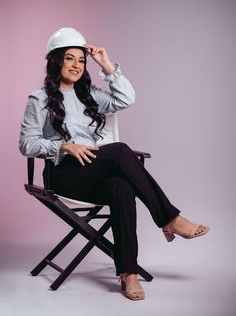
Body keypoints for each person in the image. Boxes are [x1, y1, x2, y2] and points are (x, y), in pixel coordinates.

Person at [19, 27, 209, 301]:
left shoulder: (90, 95)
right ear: (56, 60)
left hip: (93, 171)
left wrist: (107, 66)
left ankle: (127, 273)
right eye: (70, 58)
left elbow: (126, 99)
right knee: (120, 150)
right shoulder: (39, 99)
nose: (77, 65)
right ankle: (169, 219)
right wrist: (63, 145)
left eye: (81, 60)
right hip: (63, 174)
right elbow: (26, 144)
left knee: (121, 186)